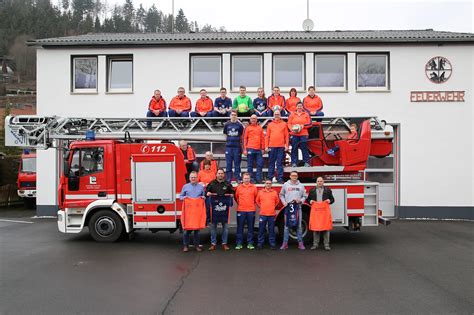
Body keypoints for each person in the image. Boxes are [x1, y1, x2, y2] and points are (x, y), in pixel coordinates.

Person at [206, 169, 234, 251]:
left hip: (224, 210)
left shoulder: (227, 184)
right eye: (219, 173)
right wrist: (207, 193)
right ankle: (213, 244)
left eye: (222, 173)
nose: (220, 175)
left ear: (224, 175)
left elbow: (232, 191)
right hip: (215, 210)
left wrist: (232, 194)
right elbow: (206, 191)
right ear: (216, 174)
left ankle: (224, 243)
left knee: (225, 227)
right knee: (213, 227)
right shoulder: (211, 183)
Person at [279, 171, 307, 250]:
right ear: (290, 176)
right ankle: (285, 243)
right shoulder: (285, 185)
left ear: (297, 176)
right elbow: (281, 195)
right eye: (293, 175)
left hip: (298, 208)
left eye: (295, 175)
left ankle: (300, 243)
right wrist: (284, 202)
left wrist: (301, 200)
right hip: (288, 209)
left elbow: (305, 196)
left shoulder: (301, 185)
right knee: (286, 226)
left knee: (299, 226)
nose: (294, 177)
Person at [180, 171, 206, 252]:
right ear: (189, 178)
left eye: (194, 177)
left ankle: (197, 246)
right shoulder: (185, 186)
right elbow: (180, 196)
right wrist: (184, 198)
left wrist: (203, 197)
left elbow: (203, 196)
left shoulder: (201, 187)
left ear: (197, 178)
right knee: (186, 231)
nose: (193, 179)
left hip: (197, 212)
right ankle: (185, 246)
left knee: (197, 232)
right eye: (192, 177)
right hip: (188, 213)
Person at [307, 177, 335, 250]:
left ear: (323, 182)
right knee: (316, 228)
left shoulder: (328, 190)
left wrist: (330, 200)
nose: (319, 182)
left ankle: (326, 245)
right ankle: (315, 244)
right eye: (318, 181)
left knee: (326, 228)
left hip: (324, 213)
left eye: (321, 181)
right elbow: (308, 199)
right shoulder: (312, 190)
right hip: (316, 213)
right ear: (316, 182)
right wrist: (310, 201)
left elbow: (332, 199)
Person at [234, 173, 258, 250]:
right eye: (245, 178)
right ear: (242, 179)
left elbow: (255, 198)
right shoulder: (239, 187)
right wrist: (241, 204)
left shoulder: (254, 187)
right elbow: (236, 197)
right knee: (240, 228)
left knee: (250, 228)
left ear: (250, 179)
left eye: (248, 178)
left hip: (251, 210)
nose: (246, 180)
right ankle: (239, 243)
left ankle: (250, 243)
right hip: (241, 210)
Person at [265, 110, 289, 183]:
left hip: (281, 147)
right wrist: (266, 146)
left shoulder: (284, 124)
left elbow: (286, 136)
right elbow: (267, 136)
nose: (277, 116)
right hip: (272, 146)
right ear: (273, 115)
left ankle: (280, 178)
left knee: (279, 163)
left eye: (278, 114)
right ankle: (270, 178)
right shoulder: (270, 124)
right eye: (275, 114)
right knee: (271, 163)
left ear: (280, 115)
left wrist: (287, 145)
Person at [256, 179, 280, 250]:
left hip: (271, 214)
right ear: (265, 184)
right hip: (263, 214)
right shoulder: (260, 192)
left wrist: (272, 207)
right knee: (261, 230)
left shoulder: (274, 192)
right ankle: (260, 244)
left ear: (271, 184)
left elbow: (277, 201)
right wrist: (261, 207)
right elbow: (257, 201)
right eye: (267, 183)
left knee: (271, 230)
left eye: (269, 183)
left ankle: (272, 244)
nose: (268, 184)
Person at [287, 102, 312, 167]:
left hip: (303, 134)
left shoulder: (306, 114)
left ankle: (306, 162)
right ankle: (294, 163)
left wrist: (302, 126)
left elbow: (310, 123)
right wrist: (292, 129)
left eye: (301, 106)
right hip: (294, 134)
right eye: (298, 106)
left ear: (302, 107)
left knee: (304, 148)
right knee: (294, 148)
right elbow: (289, 123)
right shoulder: (292, 114)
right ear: (296, 107)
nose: (299, 107)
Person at [223, 111, 244, 182]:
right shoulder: (227, 124)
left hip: (237, 147)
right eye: (232, 115)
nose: (233, 116)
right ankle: (228, 179)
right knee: (228, 163)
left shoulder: (239, 125)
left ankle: (238, 178)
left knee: (237, 164)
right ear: (230, 116)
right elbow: (225, 134)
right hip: (229, 147)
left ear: (237, 116)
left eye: (235, 115)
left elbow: (241, 134)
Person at [243, 114, 265, 183]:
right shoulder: (247, 128)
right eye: (252, 118)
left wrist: (263, 148)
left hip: (258, 149)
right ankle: (251, 179)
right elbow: (245, 139)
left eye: (255, 118)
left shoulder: (260, 128)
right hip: (250, 148)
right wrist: (245, 149)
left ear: (256, 120)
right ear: (250, 120)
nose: (253, 120)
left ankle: (259, 179)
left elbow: (262, 139)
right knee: (250, 165)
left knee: (260, 164)